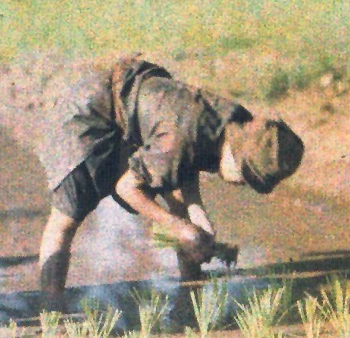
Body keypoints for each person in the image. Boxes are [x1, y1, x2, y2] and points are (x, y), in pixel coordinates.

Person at [36, 56, 304, 296]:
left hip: (132, 110)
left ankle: (191, 291)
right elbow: (127, 187)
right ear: (236, 157)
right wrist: (178, 227)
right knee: (65, 219)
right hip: (88, 113)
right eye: (246, 178)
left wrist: (198, 217)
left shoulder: (234, 123)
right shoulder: (179, 138)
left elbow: (186, 163)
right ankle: (51, 310)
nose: (243, 185)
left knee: (182, 215)